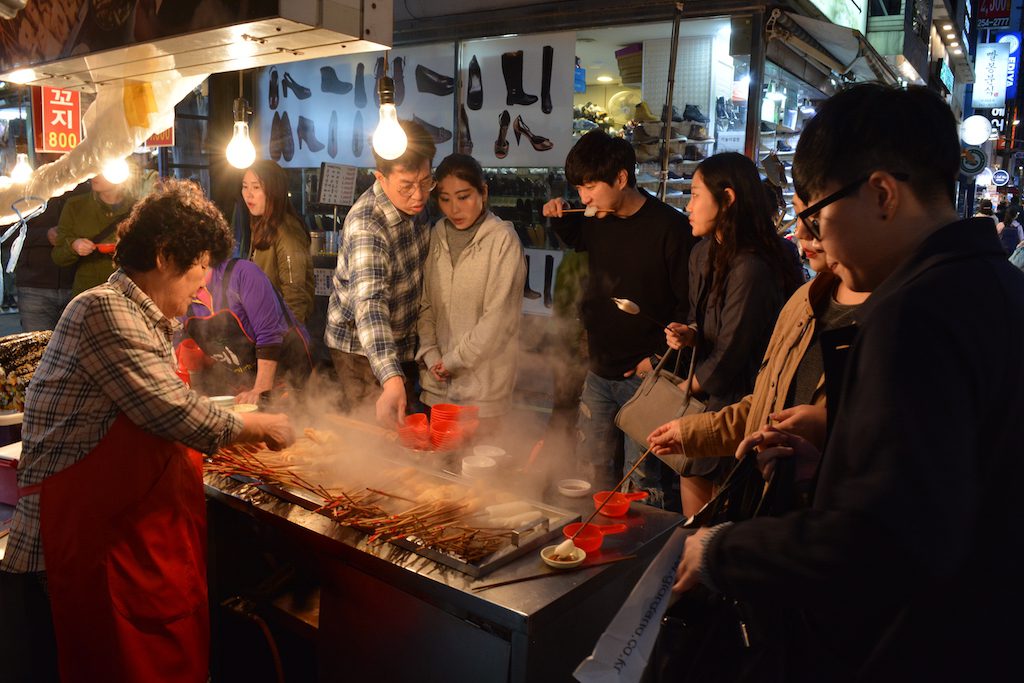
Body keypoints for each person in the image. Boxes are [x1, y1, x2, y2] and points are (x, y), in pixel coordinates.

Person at [671, 84, 1024, 681]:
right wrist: (836, 456)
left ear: (882, 193)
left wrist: (721, 550)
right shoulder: (1002, 290)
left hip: (914, 648)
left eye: (817, 215)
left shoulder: (911, 314)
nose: (819, 242)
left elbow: (877, 544)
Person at [0, 179, 295, 683]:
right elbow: (173, 413)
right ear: (164, 256)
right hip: (86, 555)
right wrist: (260, 425)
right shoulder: (102, 310)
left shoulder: (145, 320)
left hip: (124, 546)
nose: (203, 289)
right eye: (199, 270)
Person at [648, 195, 869, 498]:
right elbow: (768, 407)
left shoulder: (893, 319)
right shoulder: (803, 302)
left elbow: (732, 350)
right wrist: (691, 432)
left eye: (816, 216)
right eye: (799, 214)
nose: (802, 232)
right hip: (768, 499)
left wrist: (829, 424)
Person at [543, 130, 695, 509]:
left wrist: (657, 360)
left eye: (590, 187)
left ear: (622, 178)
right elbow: (579, 238)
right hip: (599, 369)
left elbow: (689, 308)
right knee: (591, 468)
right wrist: (559, 216)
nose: (585, 198)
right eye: (578, 189)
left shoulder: (670, 229)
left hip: (646, 379)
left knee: (640, 480)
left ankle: (638, 560)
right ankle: (591, 551)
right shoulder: (597, 219)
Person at [663, 152, 803, 515]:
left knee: (717, 521)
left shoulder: (752, 266)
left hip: (741, 407)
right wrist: (690, 334)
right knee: (692, 515)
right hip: (708, 399)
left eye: (695, 194)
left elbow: (732, 352)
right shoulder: (702, 253)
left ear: (727, 198)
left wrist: (678, 392)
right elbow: (704, 321)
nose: (688, 205)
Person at [325, 119, 436, 427]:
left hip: (402, 341)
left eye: (426, 182)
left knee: (407, 428)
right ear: (380, 177)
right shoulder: (367, 225)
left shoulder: (419, 205)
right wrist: (390, 377)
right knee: (379, 435)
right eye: (406, 186)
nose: (418, 196)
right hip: (359, 350)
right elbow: (370, 306)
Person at [416, 154, 525, 422]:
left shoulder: (502, 241)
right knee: (431, 463)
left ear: (483, 192)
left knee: (477, 464)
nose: (454, 209)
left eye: (463, 197)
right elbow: (426, 304)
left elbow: (498, 320)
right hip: (436, 389)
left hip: (483, 395)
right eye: (445, 199)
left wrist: (454, 361)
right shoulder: (436, 234)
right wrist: (431, 355)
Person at [181, 257, 312, 404]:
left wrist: (260, 389)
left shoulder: (243, 273)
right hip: (244, 379)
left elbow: (269, 334)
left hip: (287, 368)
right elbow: (188, 353)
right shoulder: (181, 297)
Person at [241, 160, 315, 324]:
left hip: (280, 333)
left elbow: (294, 293)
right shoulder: (262, 224)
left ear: (273, 191)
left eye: (256, 187)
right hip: (264, 326)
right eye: (245, 186)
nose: (248, 194)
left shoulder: (287, 231)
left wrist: (287, 338)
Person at [14, 181, 86, 331]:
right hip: (35, 286)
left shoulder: (84, 188)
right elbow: (8, 233)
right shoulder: (26, 187)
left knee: (74, 351)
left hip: (76, 284)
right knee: (36, 350)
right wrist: (45, 235)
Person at [51, 173, 135, 296]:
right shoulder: (75, 205)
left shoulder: (137, 208)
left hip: (127, 291)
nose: (95, 175)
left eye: (102, 171)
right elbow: (58, 256)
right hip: (88, 293)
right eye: (94, 169)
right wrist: (73, 246)